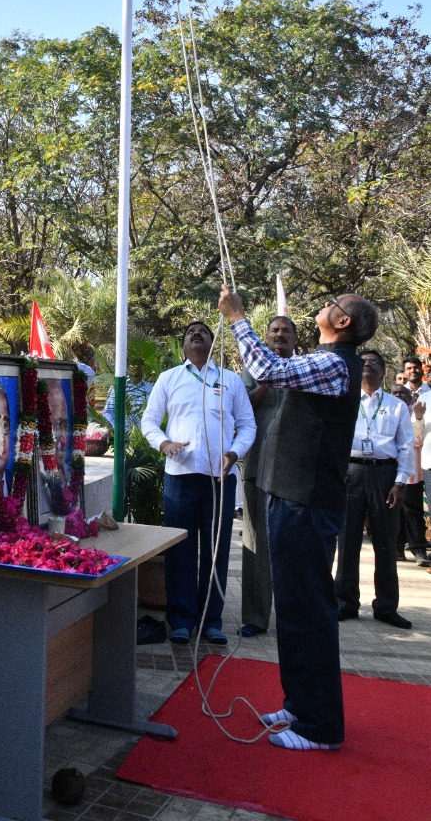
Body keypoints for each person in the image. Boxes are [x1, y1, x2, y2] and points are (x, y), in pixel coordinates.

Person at [219, 287, 378, 752]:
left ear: (344, 323)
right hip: (293, 498)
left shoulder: (335, 363)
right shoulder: (327, 360)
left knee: (308, 611)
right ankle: (300, 702)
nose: (324, 304)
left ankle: (319, 726)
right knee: (292, 607)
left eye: (334, 302)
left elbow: (268, 368)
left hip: (306, 503)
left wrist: (237, 318)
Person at [141, 321, 255, 646]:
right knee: (181, 550)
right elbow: (149, 420)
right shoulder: (170, 378)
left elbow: (248, 425)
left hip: (221, 479)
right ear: (183, 347)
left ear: (212, 341)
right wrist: (164, 444)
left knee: (215, 551)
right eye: (191, 332)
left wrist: (234, 453)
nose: (197, 333)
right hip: (180, 476)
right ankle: (180, 620)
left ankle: (210, 620)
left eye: (203, 330)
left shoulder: (230, 381)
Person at [335, 349, 414, 628]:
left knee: (386, 542)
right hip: (351, 473)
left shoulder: (396, 406)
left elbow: (406, 446)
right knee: (347, 541)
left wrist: (400, 482)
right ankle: (345, 602)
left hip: (384, 475)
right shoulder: (344, 401)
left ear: (384, 371)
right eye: (363, 362)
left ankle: (386, 607)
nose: (368, 366)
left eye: (374, 363)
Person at [239, 315, 298, 638]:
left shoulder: (304, 370)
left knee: (291, 546)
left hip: (293, 472)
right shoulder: (253, 369)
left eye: (286, 331)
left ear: (294, 339)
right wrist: (266, 381)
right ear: (265, 336)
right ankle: (255, 616)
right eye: (274, 330)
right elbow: (242, 407)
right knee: (255, 544)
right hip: (257, 466)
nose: (279, 335)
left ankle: (292, 618)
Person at [400, 357, 431, 566]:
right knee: (410, 506)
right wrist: (418, 418)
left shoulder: (427, 394)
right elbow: (413, 433)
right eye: (408, 368)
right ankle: (414, 548)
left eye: (416, 367)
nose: (413, 371)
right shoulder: (398, 394)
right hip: (415, 459)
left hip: (425, 458)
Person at [46, 379, 71, 486]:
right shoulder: (36, 481)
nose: (63, 439)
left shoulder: (71, 473)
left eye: (64, 425)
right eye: (55, 425)